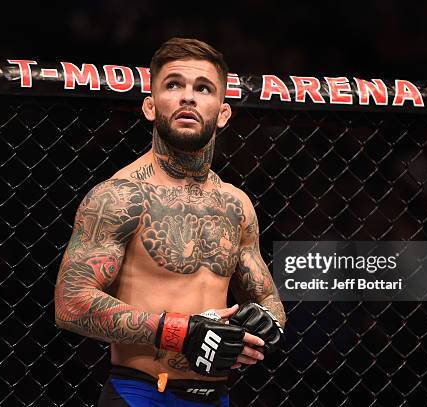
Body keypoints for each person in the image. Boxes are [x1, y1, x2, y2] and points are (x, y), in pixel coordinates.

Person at [54, 37, 286, 407]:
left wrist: (265, 322)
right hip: (142, 392)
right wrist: (178, 332)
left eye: (203, 88)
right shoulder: (119, 196)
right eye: (173, 84)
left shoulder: (237, 204)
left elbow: (267, 298)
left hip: (217, 396)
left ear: (223, 113)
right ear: (150, 106)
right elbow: (71, 303)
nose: (188, 97)